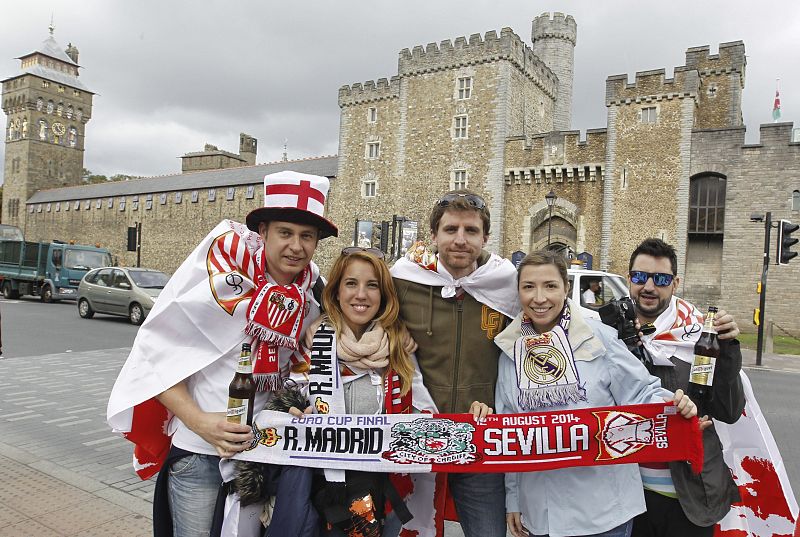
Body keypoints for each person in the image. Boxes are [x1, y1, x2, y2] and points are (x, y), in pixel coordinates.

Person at [107, 171, 338, 537]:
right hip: (199, 454)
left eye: (307, 236)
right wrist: (199, 422)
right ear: (263, 233)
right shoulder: (216, 285)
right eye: (286, 233)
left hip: (260, 459)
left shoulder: (310, 300)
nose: (296, 246)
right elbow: (155, 360)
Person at [494, 250, 699, 537]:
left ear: (566, 288)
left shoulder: (598, 337)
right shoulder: (509, 352)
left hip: (604, 512)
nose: (539, 298)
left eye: (550, 286)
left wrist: (674, 406)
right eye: (529, 286)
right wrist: (513, 500)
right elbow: (510, 433)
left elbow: (641, 392)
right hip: (541, 513)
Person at [303, 247, 491, 536]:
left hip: (388, 494)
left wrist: (471, 421)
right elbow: (289, 395)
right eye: (351, 283)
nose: (361, 294)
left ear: (384, 295)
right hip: (325, 492)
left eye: (372, 285)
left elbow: (423, 412)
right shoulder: (315, 341)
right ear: (336, 291)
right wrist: (294, 410)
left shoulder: (399, 347)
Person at [390, 190, 520, 537]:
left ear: (485, 237)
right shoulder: (404, 279)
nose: (460, 240)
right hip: (418, 433)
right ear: (433, 236)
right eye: (450, 230)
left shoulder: (507, 283)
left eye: (470, 231)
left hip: (481, 437)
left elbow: (551, 325)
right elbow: (356, 308)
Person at [626, 238, 744, 537]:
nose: (649, 286)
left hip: (690, 498)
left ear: (675, 284)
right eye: (640, 277)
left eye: (661, 279)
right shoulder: (612, 333)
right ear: (629, 279)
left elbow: (729, 411)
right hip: (628, 498)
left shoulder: (700, 335)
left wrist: (728, 349)